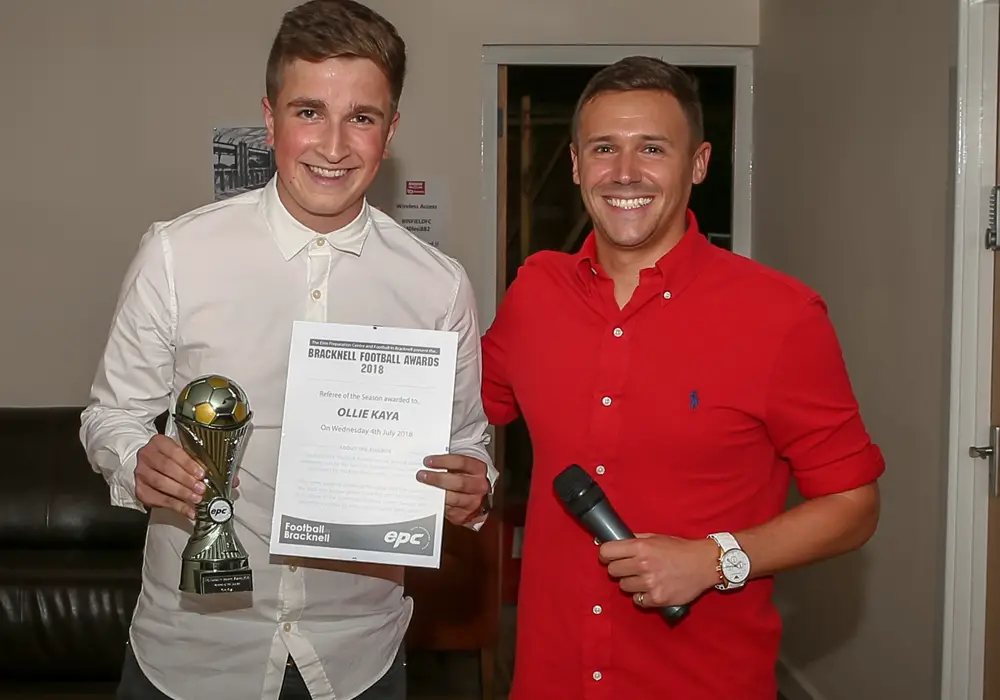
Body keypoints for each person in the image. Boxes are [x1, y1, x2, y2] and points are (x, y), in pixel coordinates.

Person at [79, 2, 493, 699]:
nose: (333, 145)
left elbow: (468, 442)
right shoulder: (178, 254)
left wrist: (472, 482)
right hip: (194, 655)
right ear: (269, 117)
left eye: (361, 117)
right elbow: (111, 417)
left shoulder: (436, 284)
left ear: (389, 132)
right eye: (309, 112)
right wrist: (136, 458)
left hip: (358, 655)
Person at [478, 56, 884, 699]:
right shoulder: (535, 291)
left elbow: (854, 506)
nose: (625, 173)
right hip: (549, 677)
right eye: (604, 148)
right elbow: (472, 406)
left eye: (653, 149)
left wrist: (716, 558)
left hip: (701, 679)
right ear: (578, 165)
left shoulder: (781, 316)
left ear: (698, 164)